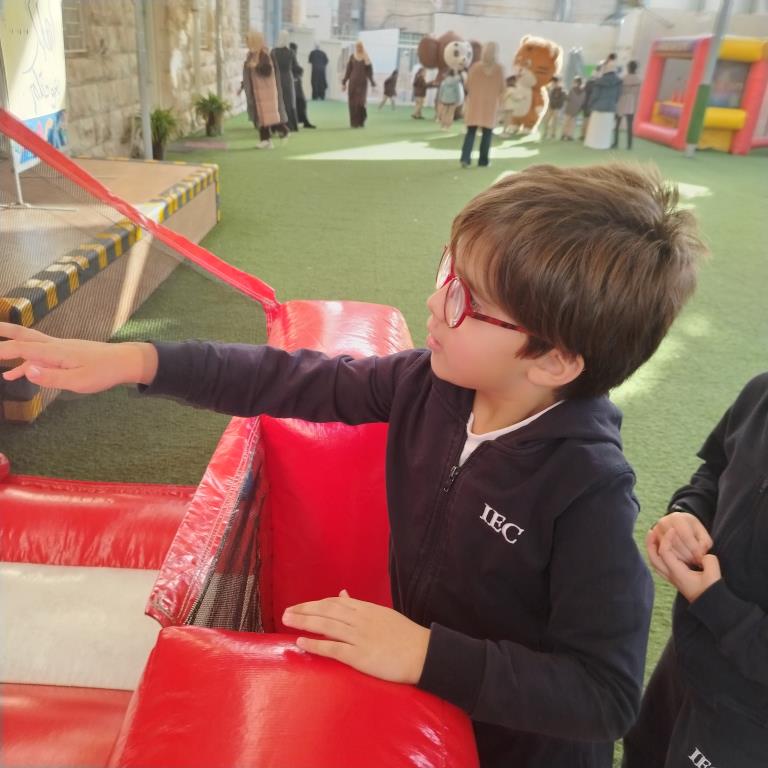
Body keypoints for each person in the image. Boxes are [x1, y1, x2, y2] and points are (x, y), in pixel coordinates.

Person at [0, 163, 708, 767]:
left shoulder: (588, 491)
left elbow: (605, 695)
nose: (434, 302)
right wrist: (135, 360)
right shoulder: (429, 385)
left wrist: (425, 654)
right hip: (426, 697)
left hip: (515, 747)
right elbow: (287, 378)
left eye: (466, 299)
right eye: (447, 271)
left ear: (553, 360)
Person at [623, 374, 768, 768]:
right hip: (689, 654)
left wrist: (715, 603)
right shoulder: (761, 391)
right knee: (643, 752)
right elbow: (715, 470)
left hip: (749, 719)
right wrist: (686, 513)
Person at [238, 30, 288, 149]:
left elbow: (268, 71)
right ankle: (266, 141)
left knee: (269, 117)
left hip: (266, 93)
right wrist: (242, 86)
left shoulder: (264, 55)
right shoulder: (251, 55)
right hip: (257, 92)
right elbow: (248, 75)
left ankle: (283, 131)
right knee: (262, 118)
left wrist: (256, 66)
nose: (247, 43)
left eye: (249, 41)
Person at [460, 42, 505, 168]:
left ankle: (465, 159)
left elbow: (467, 85)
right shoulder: (499, 69)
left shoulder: (475, 67)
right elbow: (502, 88)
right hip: (490, 106)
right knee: (487, 134)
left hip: (474, 105)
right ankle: (483, 161)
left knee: (470, 132)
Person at [585, 57, 622, 150]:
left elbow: (595, 95)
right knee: (606, 129)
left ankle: (593, 144)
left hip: (598, 107)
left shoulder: (599, 81)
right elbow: (618, 95)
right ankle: (604, 145)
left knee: (595, 129)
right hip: (610, 108)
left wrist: (590, 104)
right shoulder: (619, 82)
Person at [342, 41, 376, 128]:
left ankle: (361, 121)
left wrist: (372, 82)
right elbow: (348, 70)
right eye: (357, 46)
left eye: (360, 46)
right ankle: (354, 123)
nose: (359, 48)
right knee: (352, 103)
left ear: (362, 47)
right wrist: (344, 82)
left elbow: (369, 72)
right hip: (353, 83)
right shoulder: (352, 57)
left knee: (361, 103)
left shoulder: (366, 57)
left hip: (362, 84)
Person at [271, 31, 299, 132]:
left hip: (275, 78)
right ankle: (290, 125)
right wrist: (297, 76)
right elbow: (296, 67)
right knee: (289, 101)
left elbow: (270, 66)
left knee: (277, 102)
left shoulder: (273, 52)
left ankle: (276, 126)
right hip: (287, 78)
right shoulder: (291, 52)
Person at [613, 60, 641, 150]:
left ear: (628, 68)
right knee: (629, 126)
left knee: (617, 124)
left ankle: (615, 143)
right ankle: (629, 145)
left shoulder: (623, 78)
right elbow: (637, 94)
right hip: (631, 103)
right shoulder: (638, 79)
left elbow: (619, 91)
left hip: (622, 101)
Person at [289, 42, 316, 129]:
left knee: (300, 102)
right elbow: (295, 68)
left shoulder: (292, 56)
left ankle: (303, 121)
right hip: (293, 82)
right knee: (300, 102)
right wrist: (300, 70)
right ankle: (301, 122)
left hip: (296, 82)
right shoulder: (290, 56)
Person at [561, 75, 585, 141]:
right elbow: (582, 101)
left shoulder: (572, 90)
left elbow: (568, 98)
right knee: (572, 123)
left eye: (574, 82)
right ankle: (569, 135)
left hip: (569, 109)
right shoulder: (583, 92)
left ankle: (564, 134)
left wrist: (564, 93)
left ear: (576, 82)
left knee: (566, 122)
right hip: (576, 110)